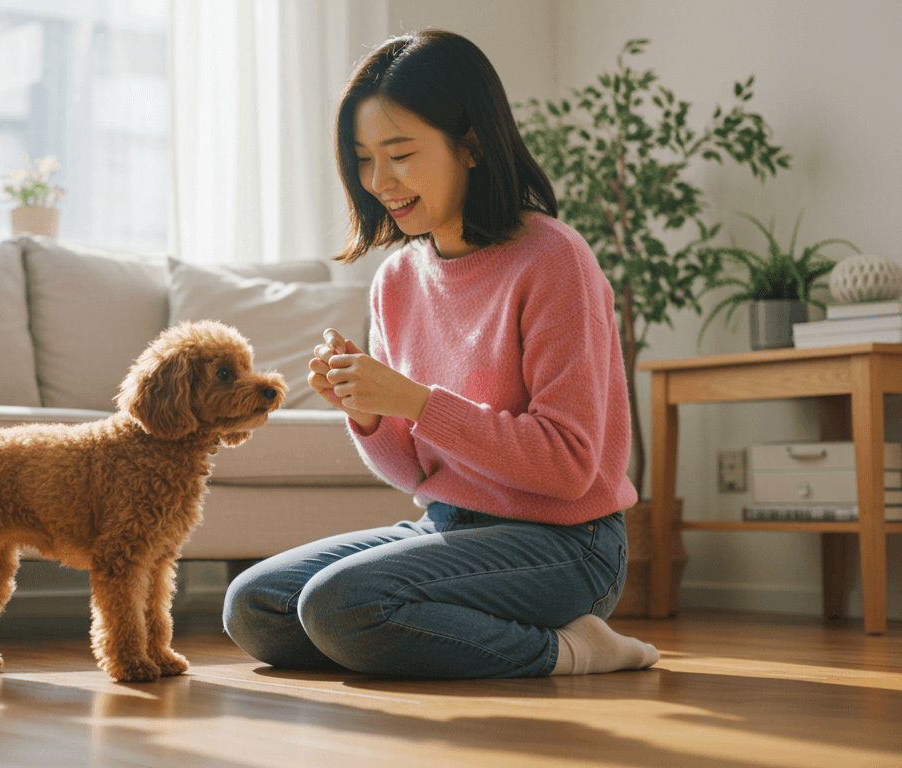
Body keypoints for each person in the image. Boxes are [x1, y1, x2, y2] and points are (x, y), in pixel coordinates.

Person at [222, 28, 660, 679]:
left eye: (399, 154)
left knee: (341, 605)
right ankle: (416, 629)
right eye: (364, 159)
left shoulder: (552, 259)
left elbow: (568, 468)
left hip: (569, 545)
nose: (379, 182)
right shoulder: (397, 282)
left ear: (473, 145)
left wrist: (416, 402)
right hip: (449, 527)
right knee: (253, 605)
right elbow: (417, 475)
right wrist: (368, 412)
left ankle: (573, 649)